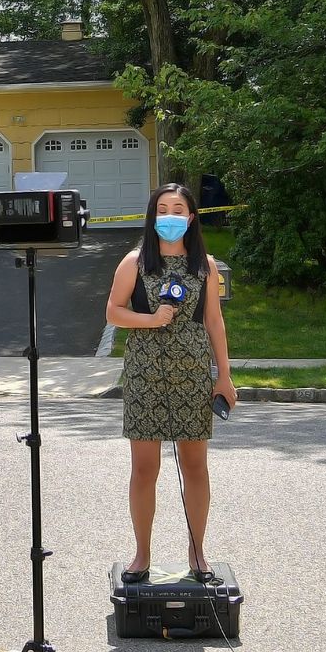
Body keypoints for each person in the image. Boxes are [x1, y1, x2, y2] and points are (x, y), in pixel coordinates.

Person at [105, 182, 235, 584]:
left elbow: (214, 320)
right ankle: (141, 555)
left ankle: (198, 554)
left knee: (195, 467)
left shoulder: (205, 265)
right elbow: (113, 312)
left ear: (191, 217)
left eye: (178, 210)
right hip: (145, 372)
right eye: (163, 209)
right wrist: (151, 319)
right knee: (145, 469)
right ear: (152, 216)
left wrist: (224, 377)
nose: (170, 217)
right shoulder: (134, 262)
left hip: (193, 373)